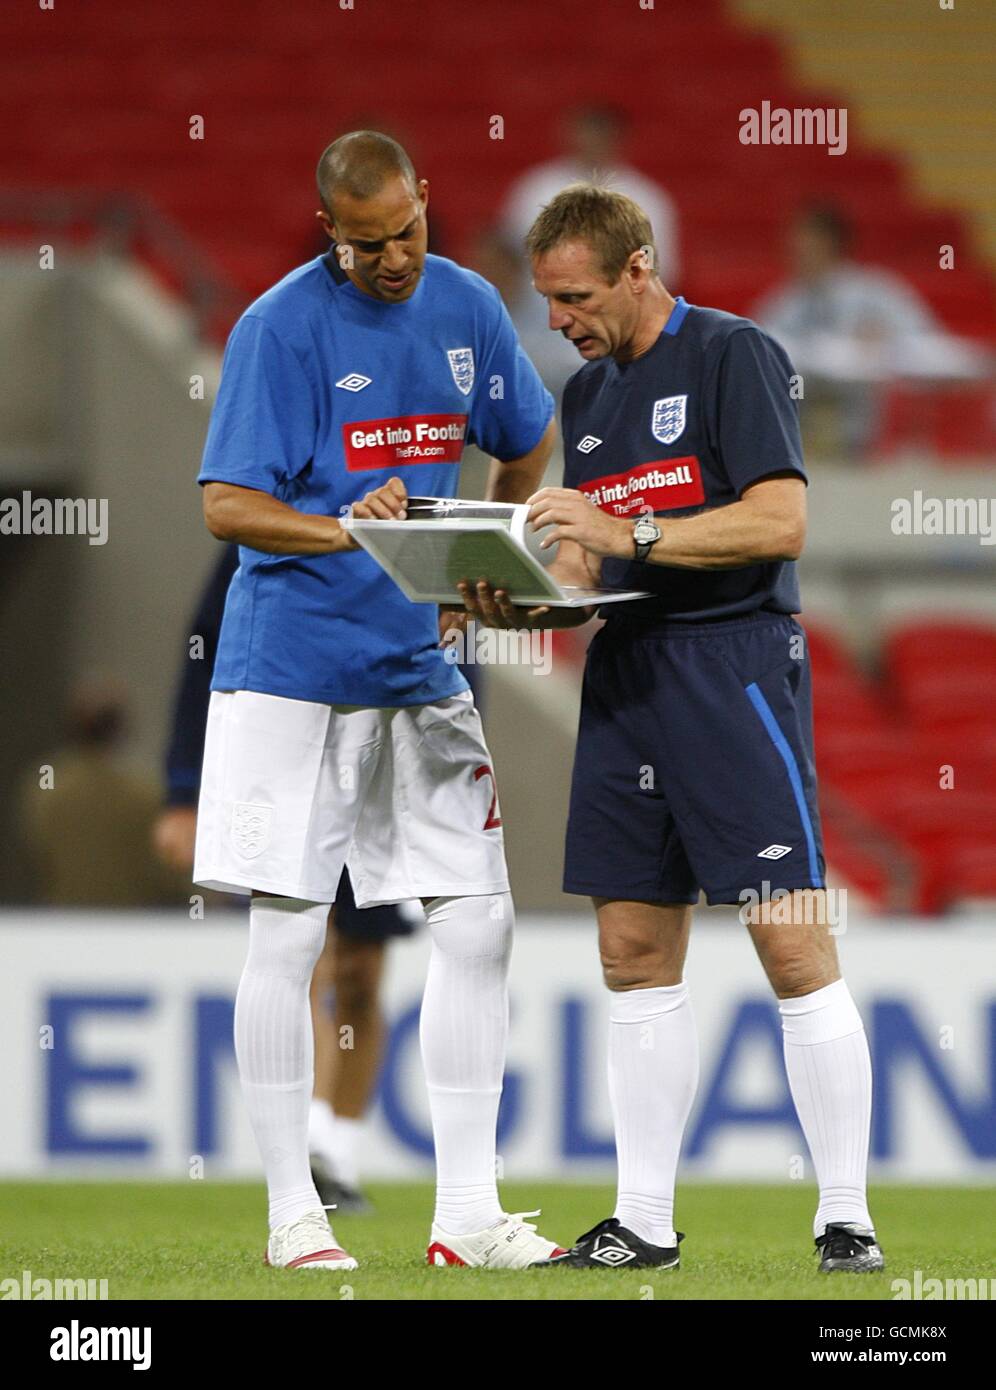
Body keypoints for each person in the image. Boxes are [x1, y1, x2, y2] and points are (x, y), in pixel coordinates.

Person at [461, 185, 883, 1275]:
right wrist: (526, 590)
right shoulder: (593, 394)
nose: (555, 317)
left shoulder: (737, 354)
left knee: (790, 939)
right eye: (547, 298)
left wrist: (622, 527)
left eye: (574, 296)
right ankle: (643, 1220)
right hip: (630, 672)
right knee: (631, 949)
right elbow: (588, 558)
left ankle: (846, 1216)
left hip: (733, 663)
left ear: (639, 265)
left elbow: (780, 519)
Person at [192, 130, 563, 1271]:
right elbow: (227, 505)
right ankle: (290, 1214)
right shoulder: (277, 327)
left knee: (481, 924)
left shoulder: (465, 304)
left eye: (406, 229)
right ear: (330, 234)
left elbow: (530, 433)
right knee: (288, 934)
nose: (395, 256)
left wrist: (478, 554)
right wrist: (352, 525)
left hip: (418, 669)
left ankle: (466, 1214)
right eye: (369, 242)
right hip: (290, 675)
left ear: (427, 199)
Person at [154, 544, 418, 1213]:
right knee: (305, 953)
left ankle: (338, 1149)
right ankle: (303, 1156)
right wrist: (184, 789)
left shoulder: (421, 517)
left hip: (391, 762)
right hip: (294, 750)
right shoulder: (277, 523)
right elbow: (209, 645)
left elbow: (461, 659)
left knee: (362, 974)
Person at [501, 105, 679, 282]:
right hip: (539, 300)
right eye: (588, 134)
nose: (593, 142)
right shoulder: (535, 187)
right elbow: (509, 255)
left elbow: (660, 269)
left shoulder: (647, 198)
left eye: (601, 135)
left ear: (618, 139)